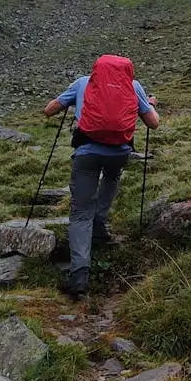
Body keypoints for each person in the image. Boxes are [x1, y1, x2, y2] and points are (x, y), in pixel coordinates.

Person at [44, 54, 159, 298]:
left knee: (79, 212)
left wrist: (69, 103)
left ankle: (79, 277)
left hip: (87, 153)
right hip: (119, 152)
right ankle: (100, 223)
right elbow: (153, 123)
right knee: (112, 177)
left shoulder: (81, 83)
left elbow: (49, 110)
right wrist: (150, 104)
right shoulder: (134, 86)